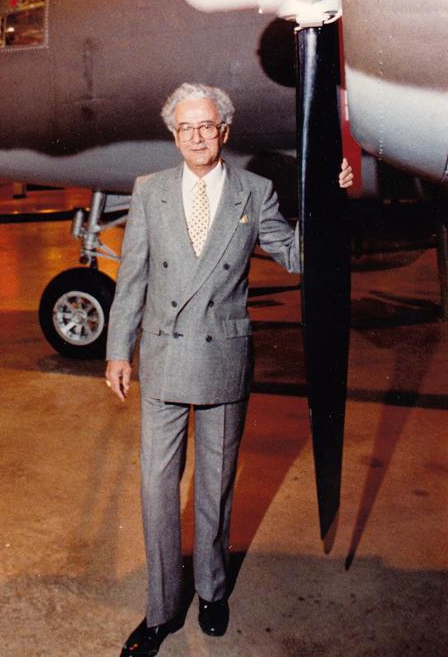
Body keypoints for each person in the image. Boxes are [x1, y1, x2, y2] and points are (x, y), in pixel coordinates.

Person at [106, 82, 353, 657]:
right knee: (156, 489)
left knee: (215, 488)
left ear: (225, 131)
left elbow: (295, 255)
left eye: (206, 126)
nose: (197, 136)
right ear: (174, 134)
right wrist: (119, 350)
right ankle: (162, 609)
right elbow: (133, 278)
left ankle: (213, 593)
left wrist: (330, 200)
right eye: (185, 127)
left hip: (223, 355)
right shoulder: (149, 191)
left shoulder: (254, 191)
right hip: (164, 354)